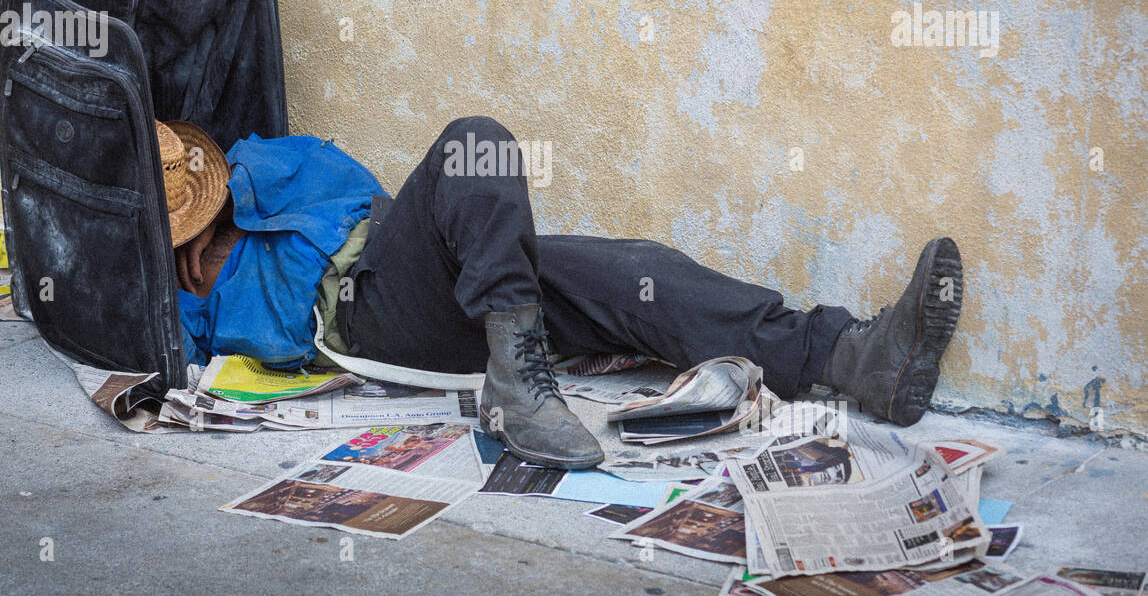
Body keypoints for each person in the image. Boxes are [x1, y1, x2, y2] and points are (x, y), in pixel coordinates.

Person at [159, 116, 963, 470]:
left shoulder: (268, 161)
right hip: (368, 320)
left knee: (635, 273)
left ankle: (851, 357)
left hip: (418, 267)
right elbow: (153, 359)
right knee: (475, 141)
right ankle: (517, 390)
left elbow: (373, 200)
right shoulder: (178, 295)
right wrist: (186, 264)